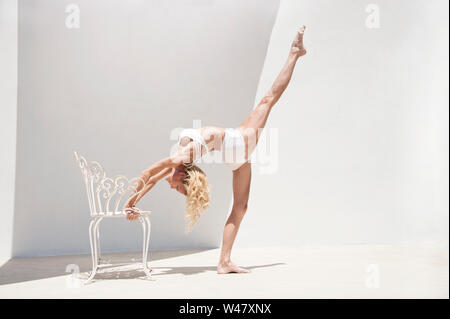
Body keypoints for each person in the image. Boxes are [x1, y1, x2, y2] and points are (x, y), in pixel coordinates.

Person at [125, 26, 307, 274]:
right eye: (178, 188)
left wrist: (129, 203)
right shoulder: (181, 160)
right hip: (237, 145)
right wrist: (132, 202)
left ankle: (224, 261)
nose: (172, 186)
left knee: (240, 207)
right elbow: (152, 178)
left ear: (182, 175)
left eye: (178, 188)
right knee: (268, 99)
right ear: (183, 174)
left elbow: (148, 174)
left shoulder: (181, 158)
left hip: (235, 148)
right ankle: (294, 53)